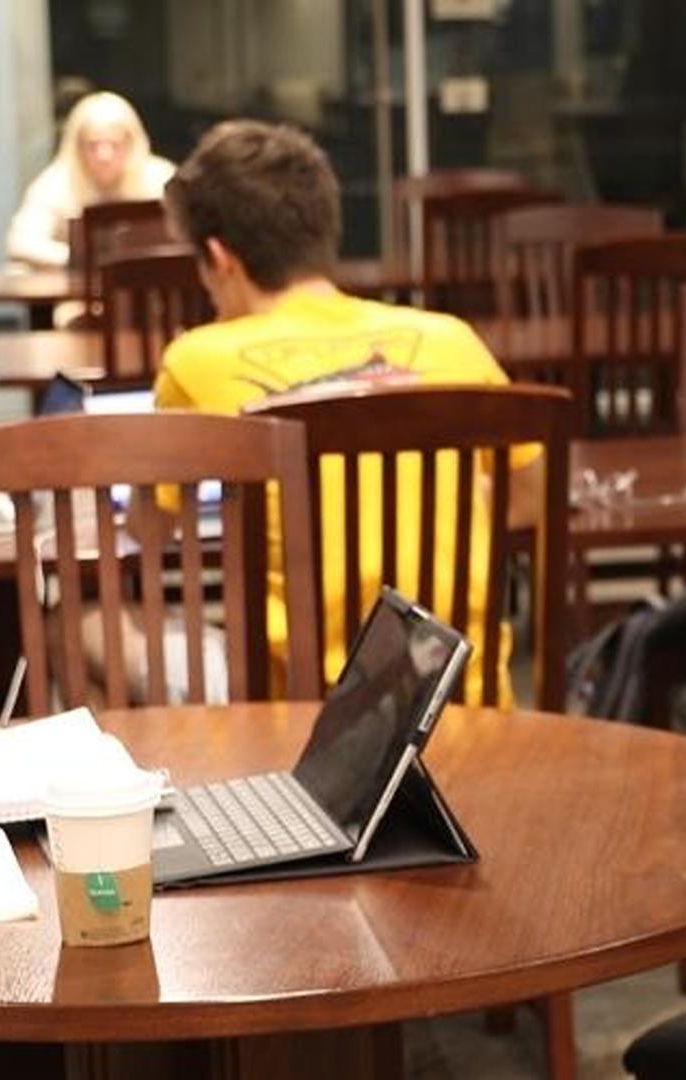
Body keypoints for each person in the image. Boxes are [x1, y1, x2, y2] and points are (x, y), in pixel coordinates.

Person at [152, 119, 528, 705]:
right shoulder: (452, 340)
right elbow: (523, 495)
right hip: (462, 701)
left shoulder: (196, 359)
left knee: (93, 627)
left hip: (300, 720)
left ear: (220, 258)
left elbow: (150, 531)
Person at [4, 90, 176, 268]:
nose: (104, 155)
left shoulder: (161, 178)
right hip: (77, 292)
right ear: (77, 147)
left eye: (115, 144)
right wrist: (79, 260)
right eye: (93, 145)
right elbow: (20, 242)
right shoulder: (54, 184)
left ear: (132, 143)